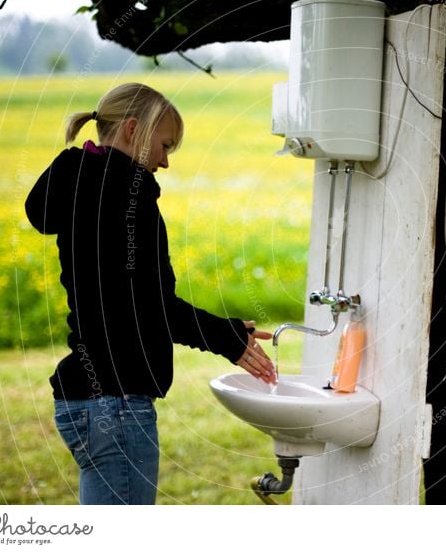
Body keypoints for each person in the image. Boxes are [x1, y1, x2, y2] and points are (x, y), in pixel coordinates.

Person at [25, 82, 276, 505]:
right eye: (164, 146)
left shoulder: (82, 186)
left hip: (85, 401)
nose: (164, 162)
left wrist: (222, 333)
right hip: (117, 403)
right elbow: (152, 306)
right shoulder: (128, 198)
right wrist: (224, 337)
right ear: (131, 130)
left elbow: (131, 303)